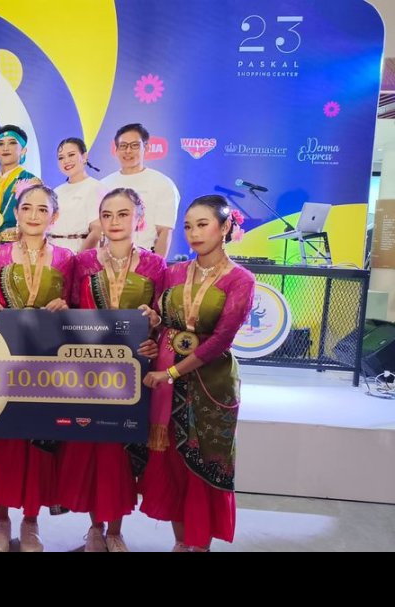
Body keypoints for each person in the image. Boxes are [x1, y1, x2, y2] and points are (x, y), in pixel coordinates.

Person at [139, 195, 255, 552]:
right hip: (165, 374)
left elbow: (220, 340)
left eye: (203, 224)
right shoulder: (173, 271)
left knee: (202, 461)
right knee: (172, 461)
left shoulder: (241, 279)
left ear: (225, 227)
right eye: (188, 226)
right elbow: (163, 321)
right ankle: (180, 543)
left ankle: (200, 544)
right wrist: (153, 329)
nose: (194, 233)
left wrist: (171, 372)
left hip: (210, 383)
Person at [58, 188, 164, 551]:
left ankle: (115, 530)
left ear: (139, 219)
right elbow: (72, 309)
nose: (114, 222)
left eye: (123, 214)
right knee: (93, 448)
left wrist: (154, 329)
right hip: (87, 369)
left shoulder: (155, 265)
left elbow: (161, 318)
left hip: (132, 373)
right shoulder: (83, 261)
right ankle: (94, 527)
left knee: (120, 452)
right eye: (107, 215)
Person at [0, 184, 75, 552]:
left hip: (48, 362)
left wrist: (66, 307)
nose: (34, 215)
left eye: (42, 209)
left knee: (39, 442)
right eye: (27, 208)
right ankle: (1, 519)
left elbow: (76, 307)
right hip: (5, 358)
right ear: (16, 212)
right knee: (4, 441)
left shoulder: (67, 258)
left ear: (55, 216)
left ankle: (31, 521)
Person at [100, 123, 180, 257]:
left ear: (146, 147)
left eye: (134, 145)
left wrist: (156, 265)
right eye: (123, 146)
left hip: (146, 257)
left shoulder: (163, 183)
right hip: (109, 259)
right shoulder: (104, 184)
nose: (128, 151)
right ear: (116, 150)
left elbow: (164, 232)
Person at [50, 137, 102, 253]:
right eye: (61, 157)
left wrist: (80, 259)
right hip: (54, 254)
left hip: (79, 253)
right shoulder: (56, 191)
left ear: (84, 156)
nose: (66, 161)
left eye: (71, 155)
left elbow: (97, 231)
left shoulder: (96, 188)